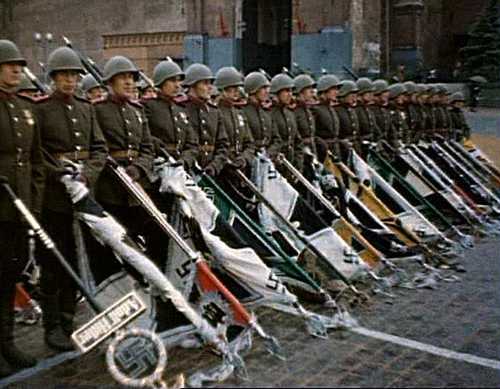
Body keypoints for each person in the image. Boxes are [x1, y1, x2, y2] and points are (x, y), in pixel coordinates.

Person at [36, 46, 107, 351]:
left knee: (79, 261)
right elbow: (36, 153)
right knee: (54, 261)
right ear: (53, 78)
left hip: (83, 193)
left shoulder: (86, 108)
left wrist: (87, 174)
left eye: (74, 75)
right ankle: (52, 326)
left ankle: (68, 320)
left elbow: (100, 149)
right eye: (64, 75)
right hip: (54, 198)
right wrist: (59, 173)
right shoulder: (40, 110)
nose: (70, 81)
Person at [0, 39, 45, 376]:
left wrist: (33, 201)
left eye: (19, 65)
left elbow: (35, 162)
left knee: (8, 279)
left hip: (19, 210)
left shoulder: (25, 108)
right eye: (9, 64)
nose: (17, 69)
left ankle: (7, 344)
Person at [143, 60, 198, 170]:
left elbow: (192, 144)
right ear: (161, 82)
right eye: (172, 81)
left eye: (178, 81)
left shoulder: (180, 109)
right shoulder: (149, 106)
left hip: (179, 166)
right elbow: (142, 136)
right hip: (157, 165)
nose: (177, 85)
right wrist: (154, 142)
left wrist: (185, 161)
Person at [181, 63, 229, 177]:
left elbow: (223, 144)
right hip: (187, 172)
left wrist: (215, 166)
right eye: (205, 83)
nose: (210, 87)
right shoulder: (181, 109)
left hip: (211, 173)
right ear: (193, 85)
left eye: (210, 83)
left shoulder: (214, 112)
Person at [270, 73, 304, 171]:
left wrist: (298, 165)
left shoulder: (290, 113)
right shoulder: (270, 114)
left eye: (291, 91)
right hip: (276, 166)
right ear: (277, 93)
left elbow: (298, 142)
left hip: (291, 164)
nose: (290, 94)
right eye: (286, 91)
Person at [311, 74, 342, 163]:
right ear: (324, 90)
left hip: (335, 150)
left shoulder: (331, 108)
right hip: (323, 152)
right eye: (333, 89)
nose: (336, 92)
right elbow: (312, 133)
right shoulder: (315, 109)